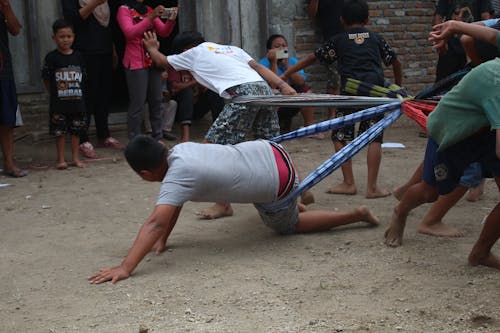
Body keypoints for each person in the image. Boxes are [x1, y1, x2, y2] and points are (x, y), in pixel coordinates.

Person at [88, 135, 380, 284]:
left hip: (277, 181)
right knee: (257, 189)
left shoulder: (177, 176)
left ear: (145, 173)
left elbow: (155, 222)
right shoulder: (182, 149)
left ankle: (354, 215)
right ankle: (298, 196)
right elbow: (169, 212)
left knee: (285, 227)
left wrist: (126, 267)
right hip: (271, 152)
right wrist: (163, 240)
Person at [142, 30, 297, 219]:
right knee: (271, 148)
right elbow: (258, 67)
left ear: (185, 49)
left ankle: (223, 204)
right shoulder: (230, 49)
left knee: (211, 148)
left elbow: (161, 61)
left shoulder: (194, 52)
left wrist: (151, 48)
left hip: (244, 93)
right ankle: (299, 192)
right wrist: (283, 85)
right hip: (263, 90)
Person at [385, 20, 500, 270]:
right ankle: (400, 211)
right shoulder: (497, 83)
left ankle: (480, 253)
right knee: (430, 191)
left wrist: (455, 24)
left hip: (484, 129)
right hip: (453, 131)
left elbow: (491, 34)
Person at [282, 0, 403, 199]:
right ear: (367, 19)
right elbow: (396, 62)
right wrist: (398, 86)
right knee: (374, 137)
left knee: (340, 134)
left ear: (341, 20)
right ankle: (372, 188)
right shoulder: (376, 38)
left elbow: (312, 58)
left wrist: (287, 73)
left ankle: (349, 183)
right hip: (375, 92)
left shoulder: (338, 40)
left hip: (350, 93)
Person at [62, 0, 124, 159]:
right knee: (88, 95)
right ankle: (83, 139)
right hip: (85, 51)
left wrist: (113, 49)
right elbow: (73, 18)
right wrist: (94, 3)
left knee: (104, 94)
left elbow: (107, 26)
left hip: (104, 50)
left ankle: (104, 135)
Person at [116, 0, 177, 141]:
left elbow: (163, 32)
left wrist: (171, 20)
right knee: (138, 103)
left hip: (153, 60)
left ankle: (158, 138)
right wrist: (151, 17)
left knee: (157, 101)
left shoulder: (148, 9)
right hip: (136, 62)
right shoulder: (124, 10)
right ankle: (135, 140)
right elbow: (129, 33)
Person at [41, 19, 87, 170]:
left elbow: (84, 79)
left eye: (69, 36)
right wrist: (55, 93)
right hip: (58, 104)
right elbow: (47, 79)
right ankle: (60, 159)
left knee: (76, 131)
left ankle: (75, 158)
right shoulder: (51, 58)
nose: (66, 40)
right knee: (59, 132)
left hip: (77, 102)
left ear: (73, 36)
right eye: (61, 36)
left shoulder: (79, 56)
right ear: (54, 38)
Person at [258, 34, 320, 136]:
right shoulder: (263, 64)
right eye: (277, 46)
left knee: (307, 91)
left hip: (291, 99)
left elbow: (300, 82)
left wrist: (287, 66)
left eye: (284, 45)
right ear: (270, 50)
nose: (281, 48)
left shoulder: (292, 61)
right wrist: (273, 62)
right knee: (275, 92)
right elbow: (272, 86)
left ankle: (309, 125)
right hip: (274, 102)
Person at [433, 0, 493, 81]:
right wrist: (440, 39)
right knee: (443, 83)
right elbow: (438, 16)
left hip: (472, 47)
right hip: (451, 46)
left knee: (472, 80)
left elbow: (486, 17)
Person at [0, 0, 26, 178]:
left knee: (7, 119)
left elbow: (16, 29)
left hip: (3, 69)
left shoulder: (3, 7)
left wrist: (6, 6)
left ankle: (9, 163)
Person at [307, 0, 344, 118]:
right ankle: (332, 117)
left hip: (351, 39)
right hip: (331, 41)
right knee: (334, 80)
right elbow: (312, 14)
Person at [167, 68, 224, 142]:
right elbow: (175, 87)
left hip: (196, 108)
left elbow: (207, 85)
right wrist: (196, 82)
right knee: (187, 92)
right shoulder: (176, 68)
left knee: (214, 92)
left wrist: (196, 82)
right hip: (179, 111)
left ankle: (220, 130)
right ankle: (185, 135)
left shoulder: (197, 69)